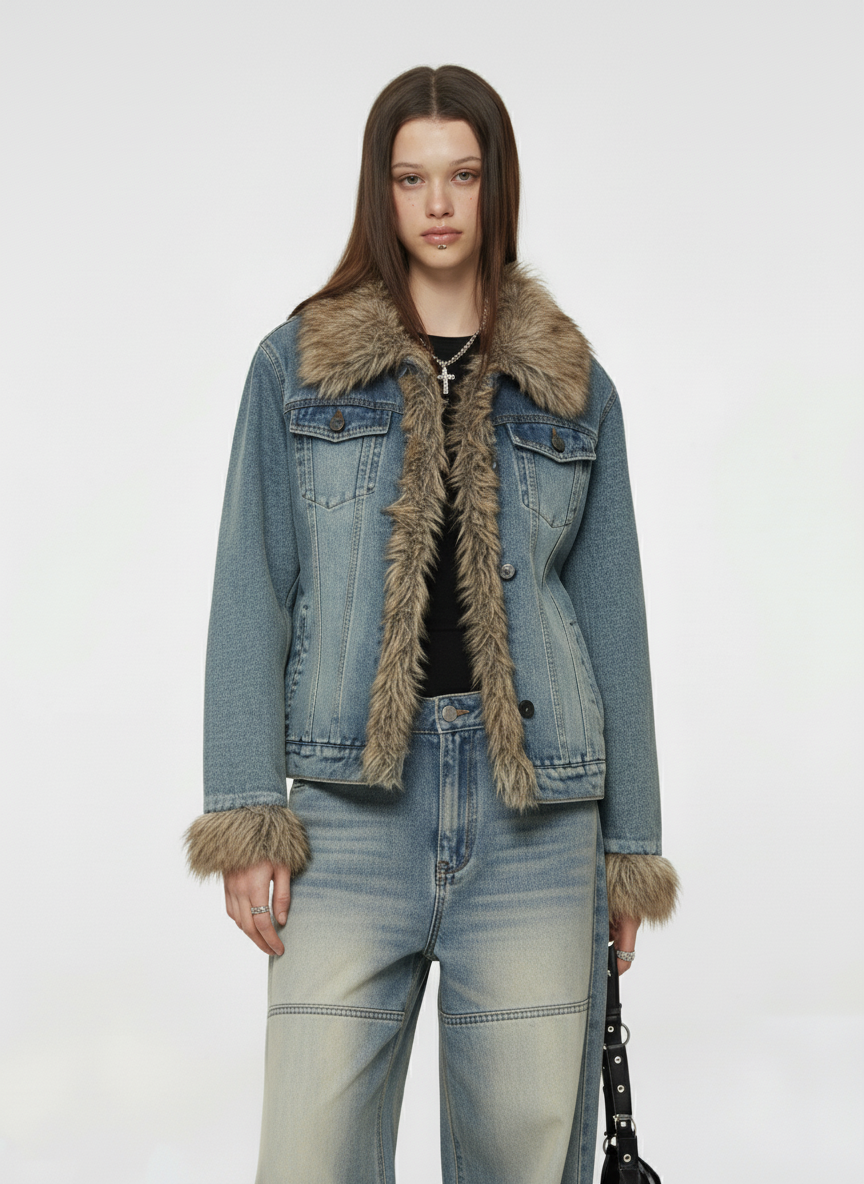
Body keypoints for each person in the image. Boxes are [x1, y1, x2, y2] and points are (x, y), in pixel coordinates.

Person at [183, 63, 679, 1184]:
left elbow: (615, 615)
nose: (440, 204)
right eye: (412, 178)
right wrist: (248, 814)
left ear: (498, 186)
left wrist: (628, 849)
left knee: (520, 1158)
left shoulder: (572, 382)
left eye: (463, 175)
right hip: (349, 815)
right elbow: (252, 584)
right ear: (383, 191)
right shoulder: (297, 366)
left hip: (538, 822)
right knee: (308, 1156)